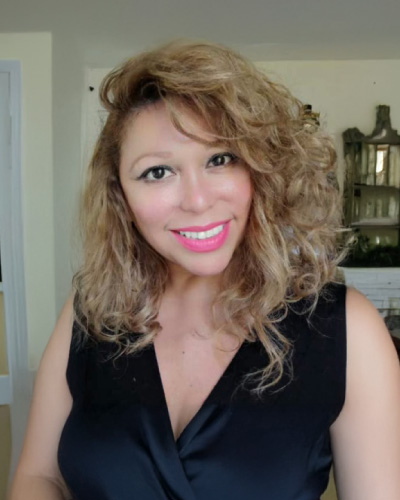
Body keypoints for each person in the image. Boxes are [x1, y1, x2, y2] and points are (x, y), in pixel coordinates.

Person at [9, 40, 400, 500]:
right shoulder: (91, 311)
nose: (197, 201)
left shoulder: (347, 330)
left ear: (261, 170)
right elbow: (40, 476)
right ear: (121, 196)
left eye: (220, 159)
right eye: (158, 172)